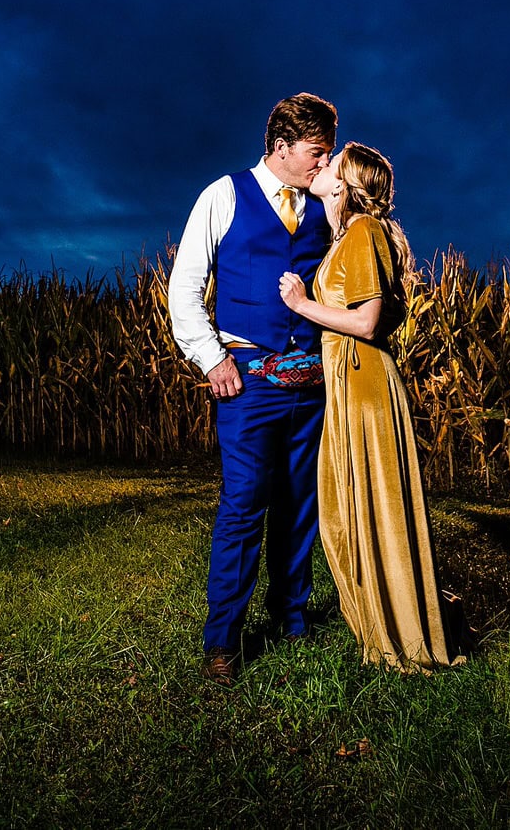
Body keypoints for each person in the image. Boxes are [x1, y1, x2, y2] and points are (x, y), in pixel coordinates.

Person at [168, 92, 337, 684]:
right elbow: (184, 289)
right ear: (282, 145)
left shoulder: (328, 208)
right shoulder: (223, 194)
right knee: (243, 506)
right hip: (248, 385)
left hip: (313, 388)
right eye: (317, 153)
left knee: (300, 507)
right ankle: (223, 640)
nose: (325, 163)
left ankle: (291, 620)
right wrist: (212, 360)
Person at [278, 142, 464, 671]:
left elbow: (366, 321)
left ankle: (401, 631)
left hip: (363, 381)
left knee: (372, 500)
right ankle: (383, 619)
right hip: (347, 379)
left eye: (331, 163)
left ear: (343, 183)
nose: (322, 165)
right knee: (348, 503)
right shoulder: (349, 235)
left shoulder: (362, 231)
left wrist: (301, 304)